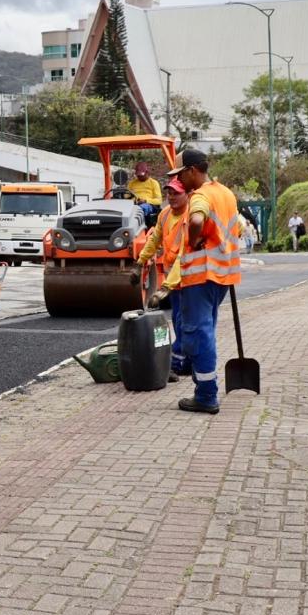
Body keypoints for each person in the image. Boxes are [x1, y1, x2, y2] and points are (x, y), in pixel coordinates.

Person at [149, 149, 241, 415]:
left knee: (197, 334)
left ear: (191, 171)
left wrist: (194, 238)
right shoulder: (225, 193)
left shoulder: (200, 196)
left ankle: (206, 395)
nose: (178, 180)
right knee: (206, 330)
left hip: (201, 277)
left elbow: (198, 218)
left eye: (180, 174)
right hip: (222, 275)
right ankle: (204, 387)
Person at [131, 178, 190, 382]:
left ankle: (176, 364)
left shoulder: (190, 216)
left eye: (176, 193)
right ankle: (182, 362)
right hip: (173, 279)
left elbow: (185, 255)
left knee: (184, 322)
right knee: (177, 320)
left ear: (187, 194)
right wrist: (140, 262)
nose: (171, 197)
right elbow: (155, 238)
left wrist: (165, 286)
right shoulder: (165, 214)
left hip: (189, 277)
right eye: (169, 193)